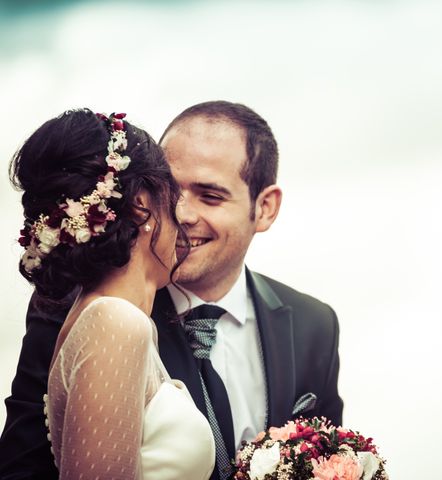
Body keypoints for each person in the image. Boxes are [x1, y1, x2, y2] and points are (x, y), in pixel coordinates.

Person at [0, 101, 343, 480]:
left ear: (265, 208)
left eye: (210, 196)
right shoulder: (96, 313)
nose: (183, 214)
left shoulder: (316, 326)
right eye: (171, 192)